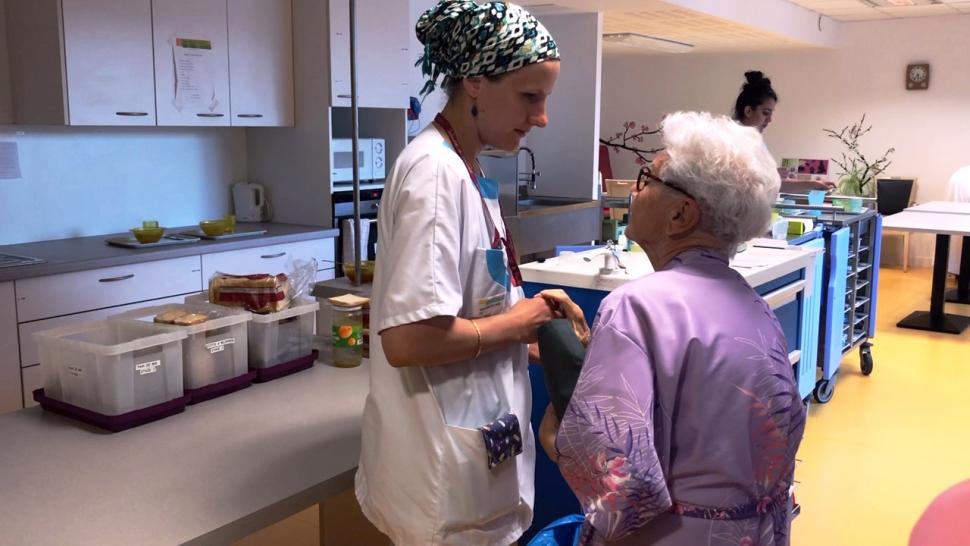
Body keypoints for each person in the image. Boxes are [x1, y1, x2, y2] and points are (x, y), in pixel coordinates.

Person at [539, 111, 807, 545]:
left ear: (681, 214)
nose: (635, 191)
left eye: (647, 179)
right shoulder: (756, 309)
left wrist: (552, 432)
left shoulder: (635, 307)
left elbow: (620, 487)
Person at [354, 2, 565, 544]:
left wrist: (534, 338)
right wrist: (517, 324)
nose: (541, 117)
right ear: (474, 80)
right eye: (529, 96)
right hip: (440, 480)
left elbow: (470, 303)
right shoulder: (434, 173)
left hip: (472, 454)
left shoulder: (467, 167)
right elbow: (406, 339)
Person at [734, 70, 836, 193]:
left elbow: (772, 185)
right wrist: (770, 176)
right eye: (765, 113)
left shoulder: (758, 144)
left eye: (771, 114)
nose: (769, 120)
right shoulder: (730, 143)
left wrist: (813, 184)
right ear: (748, 111)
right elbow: (737, 183)